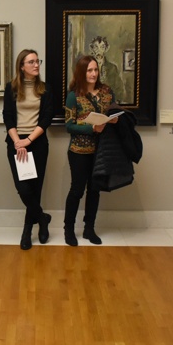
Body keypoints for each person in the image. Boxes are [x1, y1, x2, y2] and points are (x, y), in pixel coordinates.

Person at [64, 55, 119, 247]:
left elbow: (113, 111)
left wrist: (114, 119)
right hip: (79, 151)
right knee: (77, 190)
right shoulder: (73, 95)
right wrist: (91, 128)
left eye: (95, 69)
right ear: (81, 72)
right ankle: (69, 229)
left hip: (101, 150)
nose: (93, 74)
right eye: (89, 70)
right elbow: (69, 125)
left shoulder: (107, 92)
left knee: (95, 190)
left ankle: (89, 229)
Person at [3, 49, 54, 250]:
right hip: (16, 143)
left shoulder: (45, 89)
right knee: (23, 189)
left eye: (37, 61)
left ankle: (27, 231)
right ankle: (42, 218)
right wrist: (18, 142)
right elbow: (8, 116)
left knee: (35, 188)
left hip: (37, 143)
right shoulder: (11, 88)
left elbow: (47, 118)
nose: (36, 65)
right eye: (31, 62)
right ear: (21, 66)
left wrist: (29, 140)